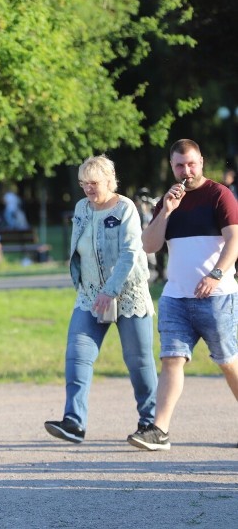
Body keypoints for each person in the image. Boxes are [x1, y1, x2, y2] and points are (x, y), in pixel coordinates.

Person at [127, 139, 238, 451]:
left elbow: (234, 241)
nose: (186, 171)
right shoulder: (170, 200)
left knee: (229, 362)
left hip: (217, 297)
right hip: (176, 297)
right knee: (172, 360)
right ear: (172, 166)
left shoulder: (219, 195)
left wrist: (215, 275)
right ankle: (159, 431)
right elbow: (148, 246)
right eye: (179, 165)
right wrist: (166, 211)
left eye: (191, 163)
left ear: (201, 161)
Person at [43, 156, 157, 444]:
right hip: (92, 295)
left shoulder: (125, 208)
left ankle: (150, 424)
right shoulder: (82, 208)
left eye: (93, 183)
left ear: (109, 180)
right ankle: (74, 422)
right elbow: (80, 248)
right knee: (77, 356)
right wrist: (87, 285)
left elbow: (131, 253)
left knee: (139, 361)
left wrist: (112, 290)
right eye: (83, 184)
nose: (88, 190)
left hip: (128, 294)